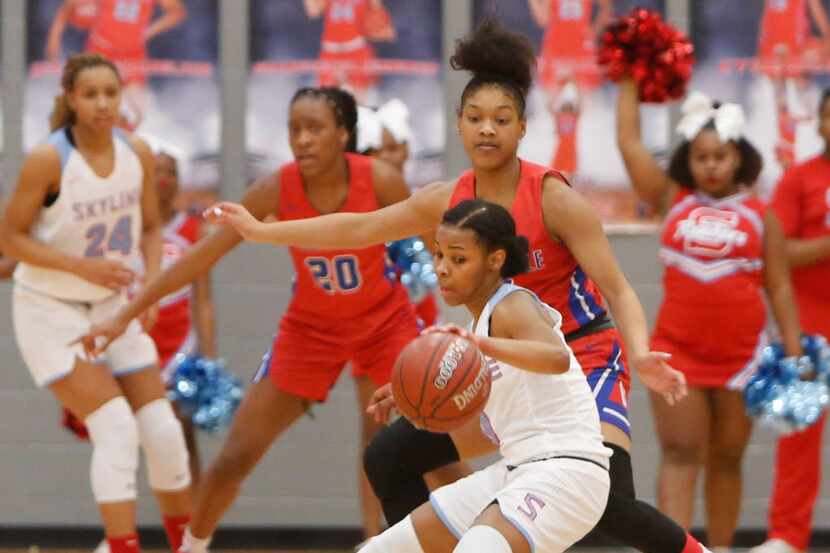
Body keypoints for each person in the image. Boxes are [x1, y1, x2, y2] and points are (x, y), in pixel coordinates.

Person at [196, 19, 716, 553]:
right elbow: (358, 226)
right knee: (389, 456)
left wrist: (643, 353)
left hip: (581, 356)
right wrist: (262, 230)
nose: (487, 129)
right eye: (475, 118)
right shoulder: (448, 200)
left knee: (609, 501)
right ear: (459, 126)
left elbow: (620, 288)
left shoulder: (554, 198)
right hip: (502, 363)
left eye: (501, 119)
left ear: (521, 129)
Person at [77, 86, 425, 549]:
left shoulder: (381, 180)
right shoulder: (276, 187)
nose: (301, 139)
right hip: (311, 331)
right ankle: (192, 547)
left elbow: (435, 249)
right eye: (294, 129)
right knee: (235, 456)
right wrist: (124, 315)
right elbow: (200, 257)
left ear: (343, 134)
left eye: (315, 128)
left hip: (384, 324)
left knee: (418, 450)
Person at [0, 53, 192, 553]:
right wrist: (81, 266)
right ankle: (122, 545)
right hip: (49, 307)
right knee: (115, 427)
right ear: (71, 99)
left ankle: (187, 547)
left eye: (112, 91)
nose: (104, 103)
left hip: (111, 306)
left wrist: (150, 286)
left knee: (164, 432)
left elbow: (151, 227)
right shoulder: (49, 159)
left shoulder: (137, 152)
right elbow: (11, 240)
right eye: (91, 94)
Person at [358, 198, 613, 553]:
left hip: (567, 470)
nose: (443, 269)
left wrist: (478, 344)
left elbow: (556, 357)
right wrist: (409, 393)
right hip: (516, 470)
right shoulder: (478, 325)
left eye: (458, 259)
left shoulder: (512, 304)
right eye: (439, 256)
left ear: (495, 261)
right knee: (380, 549)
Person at [616, 76, 804, 548]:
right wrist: (628, 80)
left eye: (720, 155)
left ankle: (718, 548)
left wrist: (796, 355)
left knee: (727, 458)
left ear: (739, 155)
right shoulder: (671, 199)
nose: (711, 165)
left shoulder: (763, 214)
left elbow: (780, 289)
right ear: (688, 160)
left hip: (743, 360)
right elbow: (629, 143)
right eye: (701, 157)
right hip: (678, 353)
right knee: (680, 452)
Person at [748, 89, 830, 553]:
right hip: (811, 329)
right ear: (817, 123)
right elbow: (777, 254)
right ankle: (787, 537)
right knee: (799, 435)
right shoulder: (801, 179)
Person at [47, 0, 188, 130]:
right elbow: (68, 9)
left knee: (135, 116)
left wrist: (148, 32)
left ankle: (119, 147)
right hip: (101, 51)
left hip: (133, 55)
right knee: (94, 109)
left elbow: (177, 12)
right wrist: (54, 41)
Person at [528, 0, 611, 171]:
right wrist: (593, 31)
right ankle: (570, 162)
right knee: (577, 109)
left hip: (562, 48)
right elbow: (606, 8)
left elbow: (543, 19)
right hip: (574, 46)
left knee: (559, 108)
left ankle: (567, 162)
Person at [757, 0, 830, 169]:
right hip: (775, 44)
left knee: (800, 86)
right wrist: (761, 48)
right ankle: (786, 145)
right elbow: (766, 18)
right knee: (781, 97)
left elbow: (816, 10)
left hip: (796, 43)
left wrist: (827, 38)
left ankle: (815, 123)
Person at [304, 0, 396, 104]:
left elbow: (385, 29)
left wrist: (379, 27)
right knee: (327, 101)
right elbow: (313, 11)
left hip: (355, 48)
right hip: (331, 50)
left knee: (361, 100)